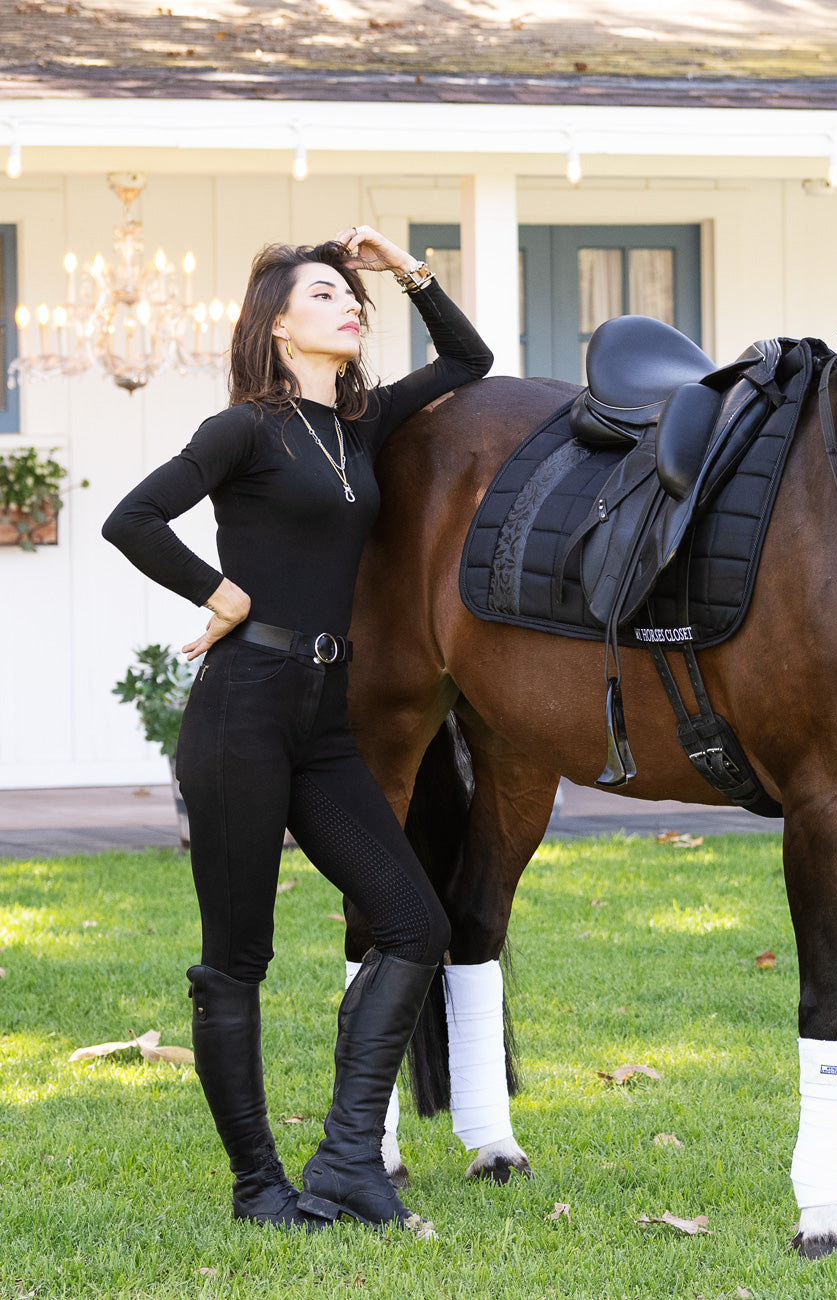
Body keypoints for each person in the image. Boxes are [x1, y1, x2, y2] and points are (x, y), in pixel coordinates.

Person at [103, 227, 493, 1233]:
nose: (348, 305)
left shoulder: (356, 429)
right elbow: (133, 519)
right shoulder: (247, 429)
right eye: (328, 293)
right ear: (280, 323)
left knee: (414, 921)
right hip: (241, 707)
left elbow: (468, 362)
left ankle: (349, 1160)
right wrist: (218, 590)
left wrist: (407, 271)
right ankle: (257, 1188)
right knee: (237, 958)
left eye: (350, 294)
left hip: (324, 716)